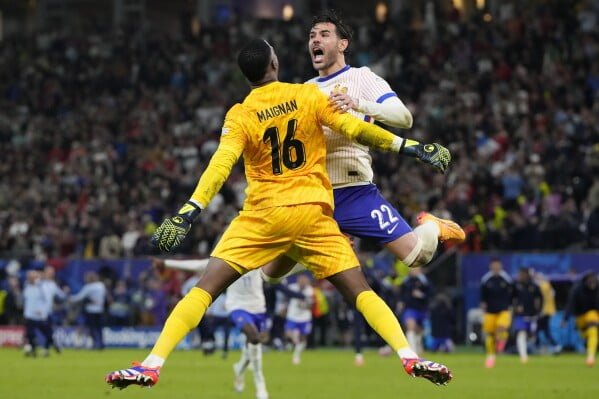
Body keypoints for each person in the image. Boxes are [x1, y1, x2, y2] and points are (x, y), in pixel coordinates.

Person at [105, 38, 452, 390]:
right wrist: (410, 147)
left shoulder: (240, 114)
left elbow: (220, 165)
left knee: (204, 290)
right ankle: (409, 356)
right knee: (360, 292)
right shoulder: (306, 95)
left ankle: (152, 364)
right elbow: (356, 128)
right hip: (312, 212)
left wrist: (187, 212)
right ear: (274, 64)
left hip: (263, 217)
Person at [260, 10, 465, 364]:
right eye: (311, 35)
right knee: (271, 274)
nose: (315, 40)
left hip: (355, 191)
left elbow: (404, 118)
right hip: (314, 196)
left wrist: (360, 105)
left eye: (323, 34)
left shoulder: (361, 78)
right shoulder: (305, 91)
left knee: (418, 257)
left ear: (343, 44)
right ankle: (324, 244)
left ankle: (432, 225)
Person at [154, 258, 268, 399]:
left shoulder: (261, 255)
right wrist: (167, 263)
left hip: (258, 308)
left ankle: (239, 369)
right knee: (254, 338)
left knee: (253, 344)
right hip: (237, 306)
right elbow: (197, 264)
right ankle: (260, 385)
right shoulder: (230, 257)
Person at [480, 259, 513, 368]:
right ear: (491, 267)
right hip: (490, 311)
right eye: (494, 266)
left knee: (501, 327)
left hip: (503, 310)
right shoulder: (486, 279)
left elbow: (512, 293)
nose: (496, 268)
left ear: (500, 266)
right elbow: (482, 295)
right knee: (490, 334)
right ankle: (491, 356)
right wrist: (483, 304)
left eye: (497, 266)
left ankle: (501, 345)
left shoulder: (506, 279)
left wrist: (512, 305)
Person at [563, 272, 599, 366]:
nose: (592, 283)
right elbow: (570, 305)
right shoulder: (577, 290)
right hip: (580, 317)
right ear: (586, 281)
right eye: (590, 281)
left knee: (593, 331)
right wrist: (565, 319)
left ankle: (590, 356)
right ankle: (590, 351)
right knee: (586, 336)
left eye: (594, 280)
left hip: (593, 315)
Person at [22, 269, 58, 357]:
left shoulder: (42, 287)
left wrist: (43, 310)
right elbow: (26, 300)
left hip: (40, 316)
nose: (30, 278)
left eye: (32, 277)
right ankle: (33, 350)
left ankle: (48, 349)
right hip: (29, 315)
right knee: (30, 334)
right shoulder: (27, 286)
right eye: (29, 277)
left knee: (48, 334)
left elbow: (47, 301)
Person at [511, 267, 543, 363]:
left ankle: (535, 350)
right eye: (520, 274)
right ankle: (523, 356)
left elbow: (540, 299)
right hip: (521, 315)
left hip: (532, 315)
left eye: (523, 274)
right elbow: (511, 299)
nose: (521, 276)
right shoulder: (515, 286)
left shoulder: (534, 286)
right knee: (521, 333)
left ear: (527, 275)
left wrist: (538, 310)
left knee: (531, 335)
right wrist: (515, 307)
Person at [69, 271, 107, 349]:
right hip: (100, 310)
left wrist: (69, 298)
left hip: (91, 310)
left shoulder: (89, 287)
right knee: (99, 328)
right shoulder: (101, 285)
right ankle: (101, 344)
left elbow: (79, 297)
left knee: (92, 328)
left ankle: (95, 344)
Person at [398, 268, 431, 354]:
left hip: (422, 308)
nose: (413, 271)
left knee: (420, 330)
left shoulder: (424, 281)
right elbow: (402, 293)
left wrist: (421, 295)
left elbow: (431, 294)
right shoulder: (406, 281)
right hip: (410, 308)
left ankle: (418, 345)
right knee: (410, 325)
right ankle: (412, 350)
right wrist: (401, 302)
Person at [283, 273, 314, 365]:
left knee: (303, 338)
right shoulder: (292, 287)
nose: (302, 282)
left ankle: (296, 355)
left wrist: (304, 304)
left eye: (304, 280)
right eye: (301, 280)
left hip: (305, 317)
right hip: (292, 316)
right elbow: (287, 295)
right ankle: (294, 341)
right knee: (288, 333)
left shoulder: (310, 290)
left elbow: (310, 306)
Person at [40, 265, 66, 354]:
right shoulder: (39, 284)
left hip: (48, 312)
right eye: (49, 272)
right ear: (44, 273)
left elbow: (61, 296)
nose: (51, 274)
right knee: (45, 331)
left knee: (48, 330)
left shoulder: (53, 284)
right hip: (37, 312)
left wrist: (65, 292)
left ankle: (46, 348)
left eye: (52, 273)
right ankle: (54, 344)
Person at [534, 272, 560, 353]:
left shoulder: (543, 286)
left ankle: (539, 346)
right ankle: (553, 345)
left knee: (540, 330)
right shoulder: (548, 285)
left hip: (544, 311)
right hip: (548, 311)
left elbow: (542, 300)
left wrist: (540, 311)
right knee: (542, 330)